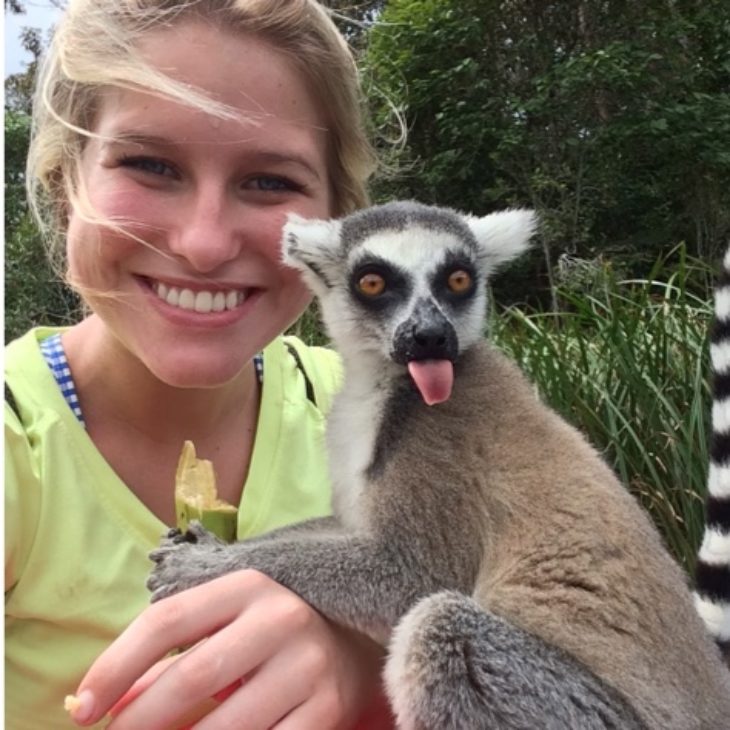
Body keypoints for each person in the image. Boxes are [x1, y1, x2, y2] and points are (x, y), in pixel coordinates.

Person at [4, 1, 394, 727]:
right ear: (67, 187)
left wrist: (362, 668)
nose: (206, 243)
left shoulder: (389, 422)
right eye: (151, 166)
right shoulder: (15, 443)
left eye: (270, 182)